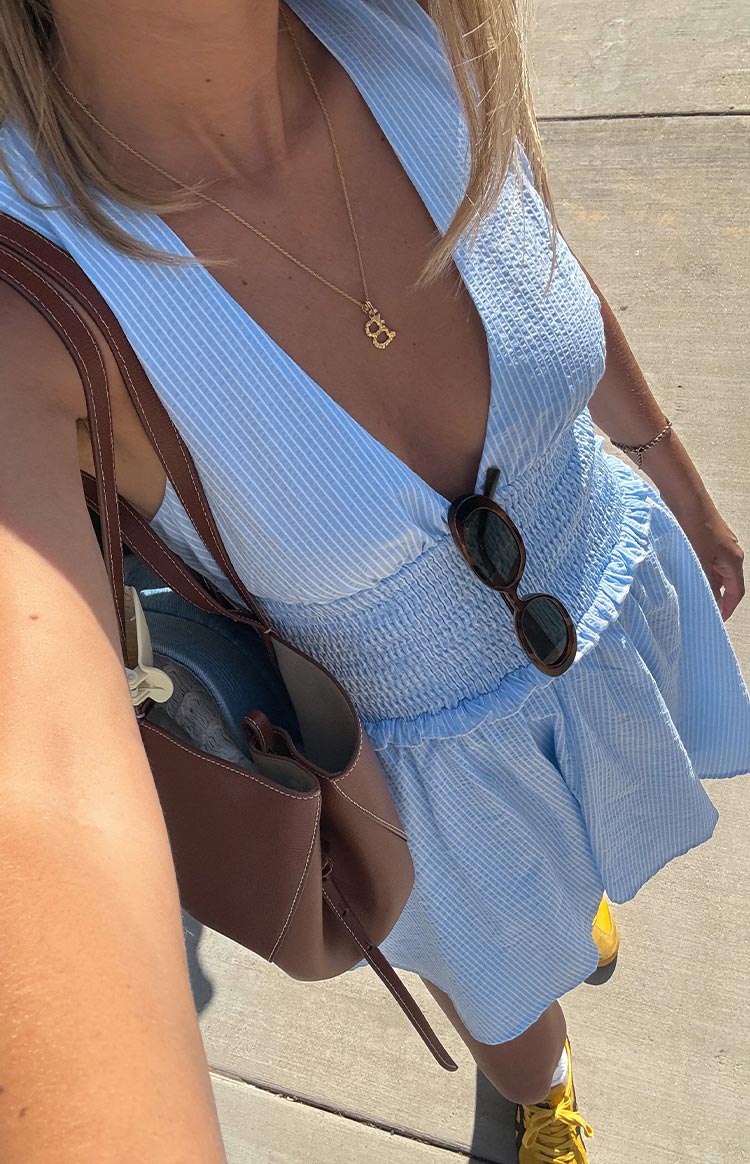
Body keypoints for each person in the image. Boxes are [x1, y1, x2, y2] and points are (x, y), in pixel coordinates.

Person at [0, 1, 748, 1161]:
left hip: (608, 605)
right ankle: (540, 1102)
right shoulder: (27, 293)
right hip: (428, 792)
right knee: (511, 1006)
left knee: (587, 861)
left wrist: (673, 473)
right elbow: (37, 804)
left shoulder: (422, 28)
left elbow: (541, 260)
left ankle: (568, 900)